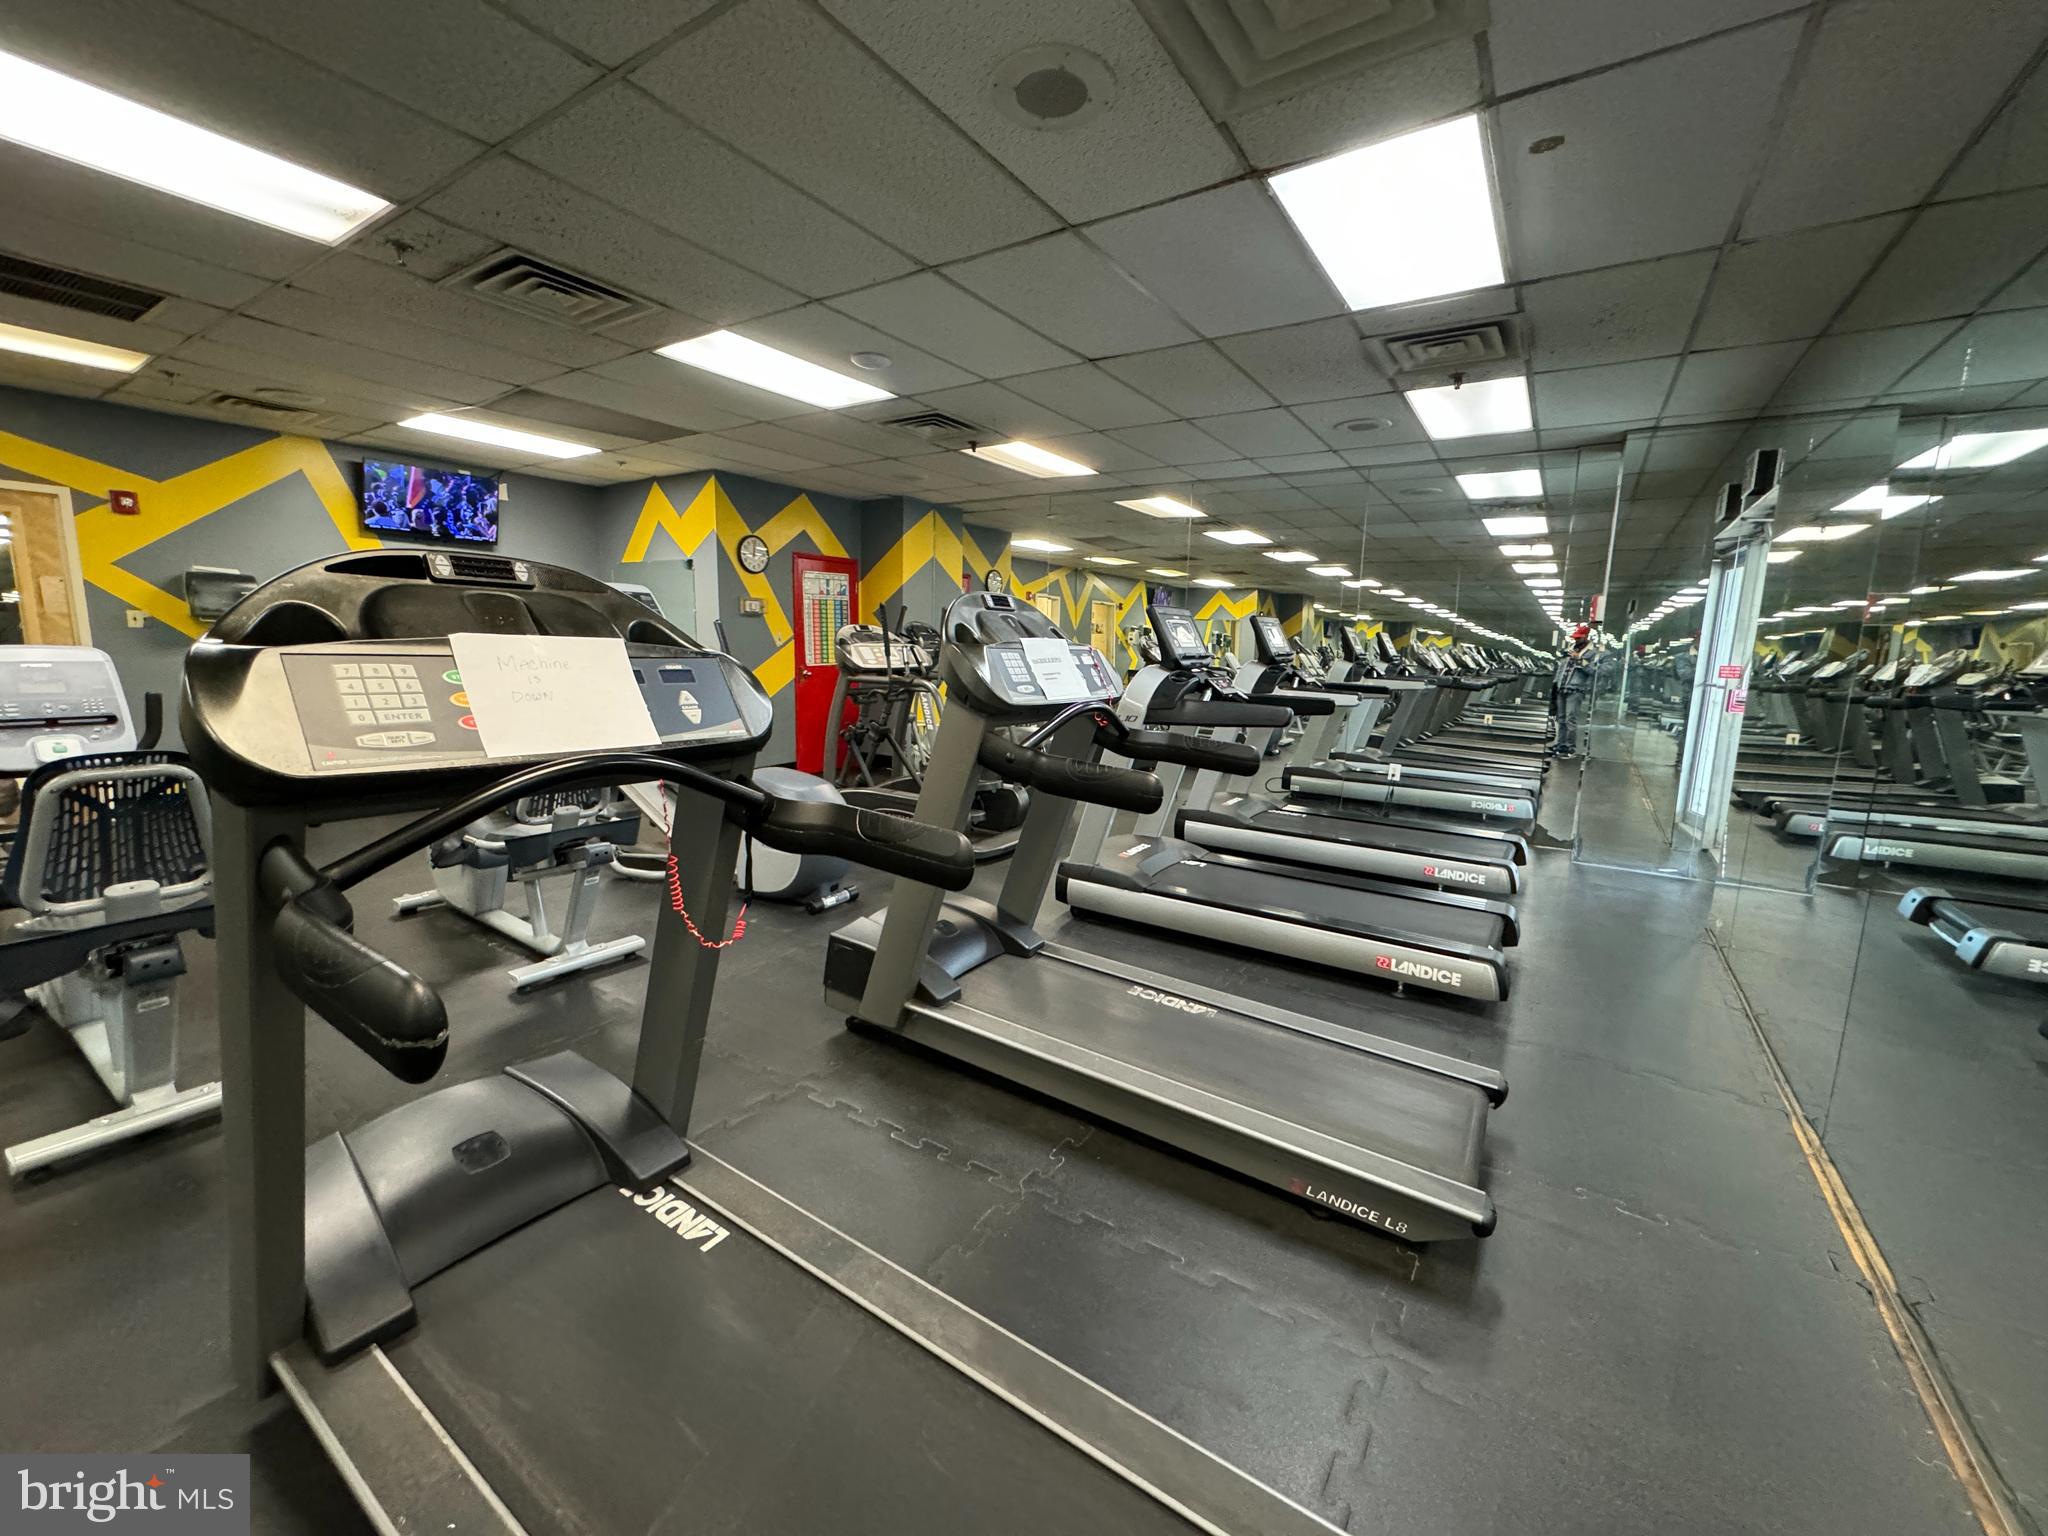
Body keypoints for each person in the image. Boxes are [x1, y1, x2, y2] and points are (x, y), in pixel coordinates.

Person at [1553, 624, 1595, 757]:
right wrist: (1556, 682)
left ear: (1586, 636)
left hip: (1576, 688)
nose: (1576, 640)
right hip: (1562, 687)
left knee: (1571, 719)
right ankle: (1560, 744)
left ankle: (1570, 747)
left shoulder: (1592, 652)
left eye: (1579, 637)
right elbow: (1562, 667)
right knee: (1561, 719)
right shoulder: (1570, 649)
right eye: (1575, 637)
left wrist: (1580, 659)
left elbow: (1593, 670)